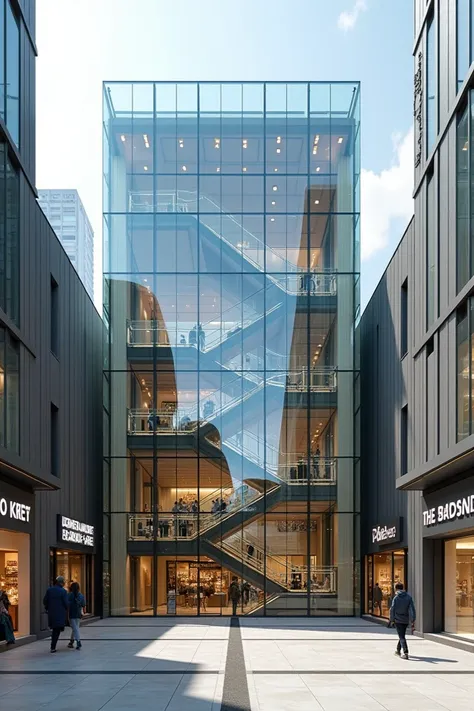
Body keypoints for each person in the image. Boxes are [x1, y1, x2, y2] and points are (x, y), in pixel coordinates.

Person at [389, 582, 416, 660]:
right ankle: (398, 650)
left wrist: (391, 620)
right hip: (405, 620)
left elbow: (392, 609)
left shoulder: (396, 598)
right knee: (402, 635)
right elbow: (412, 609)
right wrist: (412, 619)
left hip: (398, 620)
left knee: (401, 636)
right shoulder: (408, 597)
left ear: (396, 588)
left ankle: (405, 652)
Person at [43, 576, 69, 653]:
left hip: (51, 613)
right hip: (60, 613)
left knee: (55, 629)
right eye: (63, 582)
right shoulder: (63, 591)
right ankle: (53, 646)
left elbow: (45, 601)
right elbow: (66, 603)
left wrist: (48, 607)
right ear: (61, 583)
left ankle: (53, 646)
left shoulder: (49, 590)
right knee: (56, 630)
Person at [67, 582, 86, 650]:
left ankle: (78, 641)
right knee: (75, 628)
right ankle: (71, 641)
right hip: (78, 614)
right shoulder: (81, 595)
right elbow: (83, 605)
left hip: (71, 613)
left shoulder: (69, 595)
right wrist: (83, 612)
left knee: (75, 628)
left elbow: (67, 605)